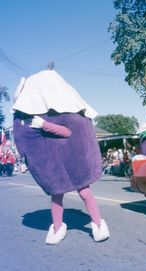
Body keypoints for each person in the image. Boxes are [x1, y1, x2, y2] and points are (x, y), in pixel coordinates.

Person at [12, 70, 110, 245]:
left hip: (72, 159)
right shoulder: (32, 115)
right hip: (55, 163)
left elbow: (67, 132)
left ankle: (97, 223)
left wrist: (44, 125)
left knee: (85, 192)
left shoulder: (58, 112)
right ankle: (58, 227)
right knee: (57, 194)